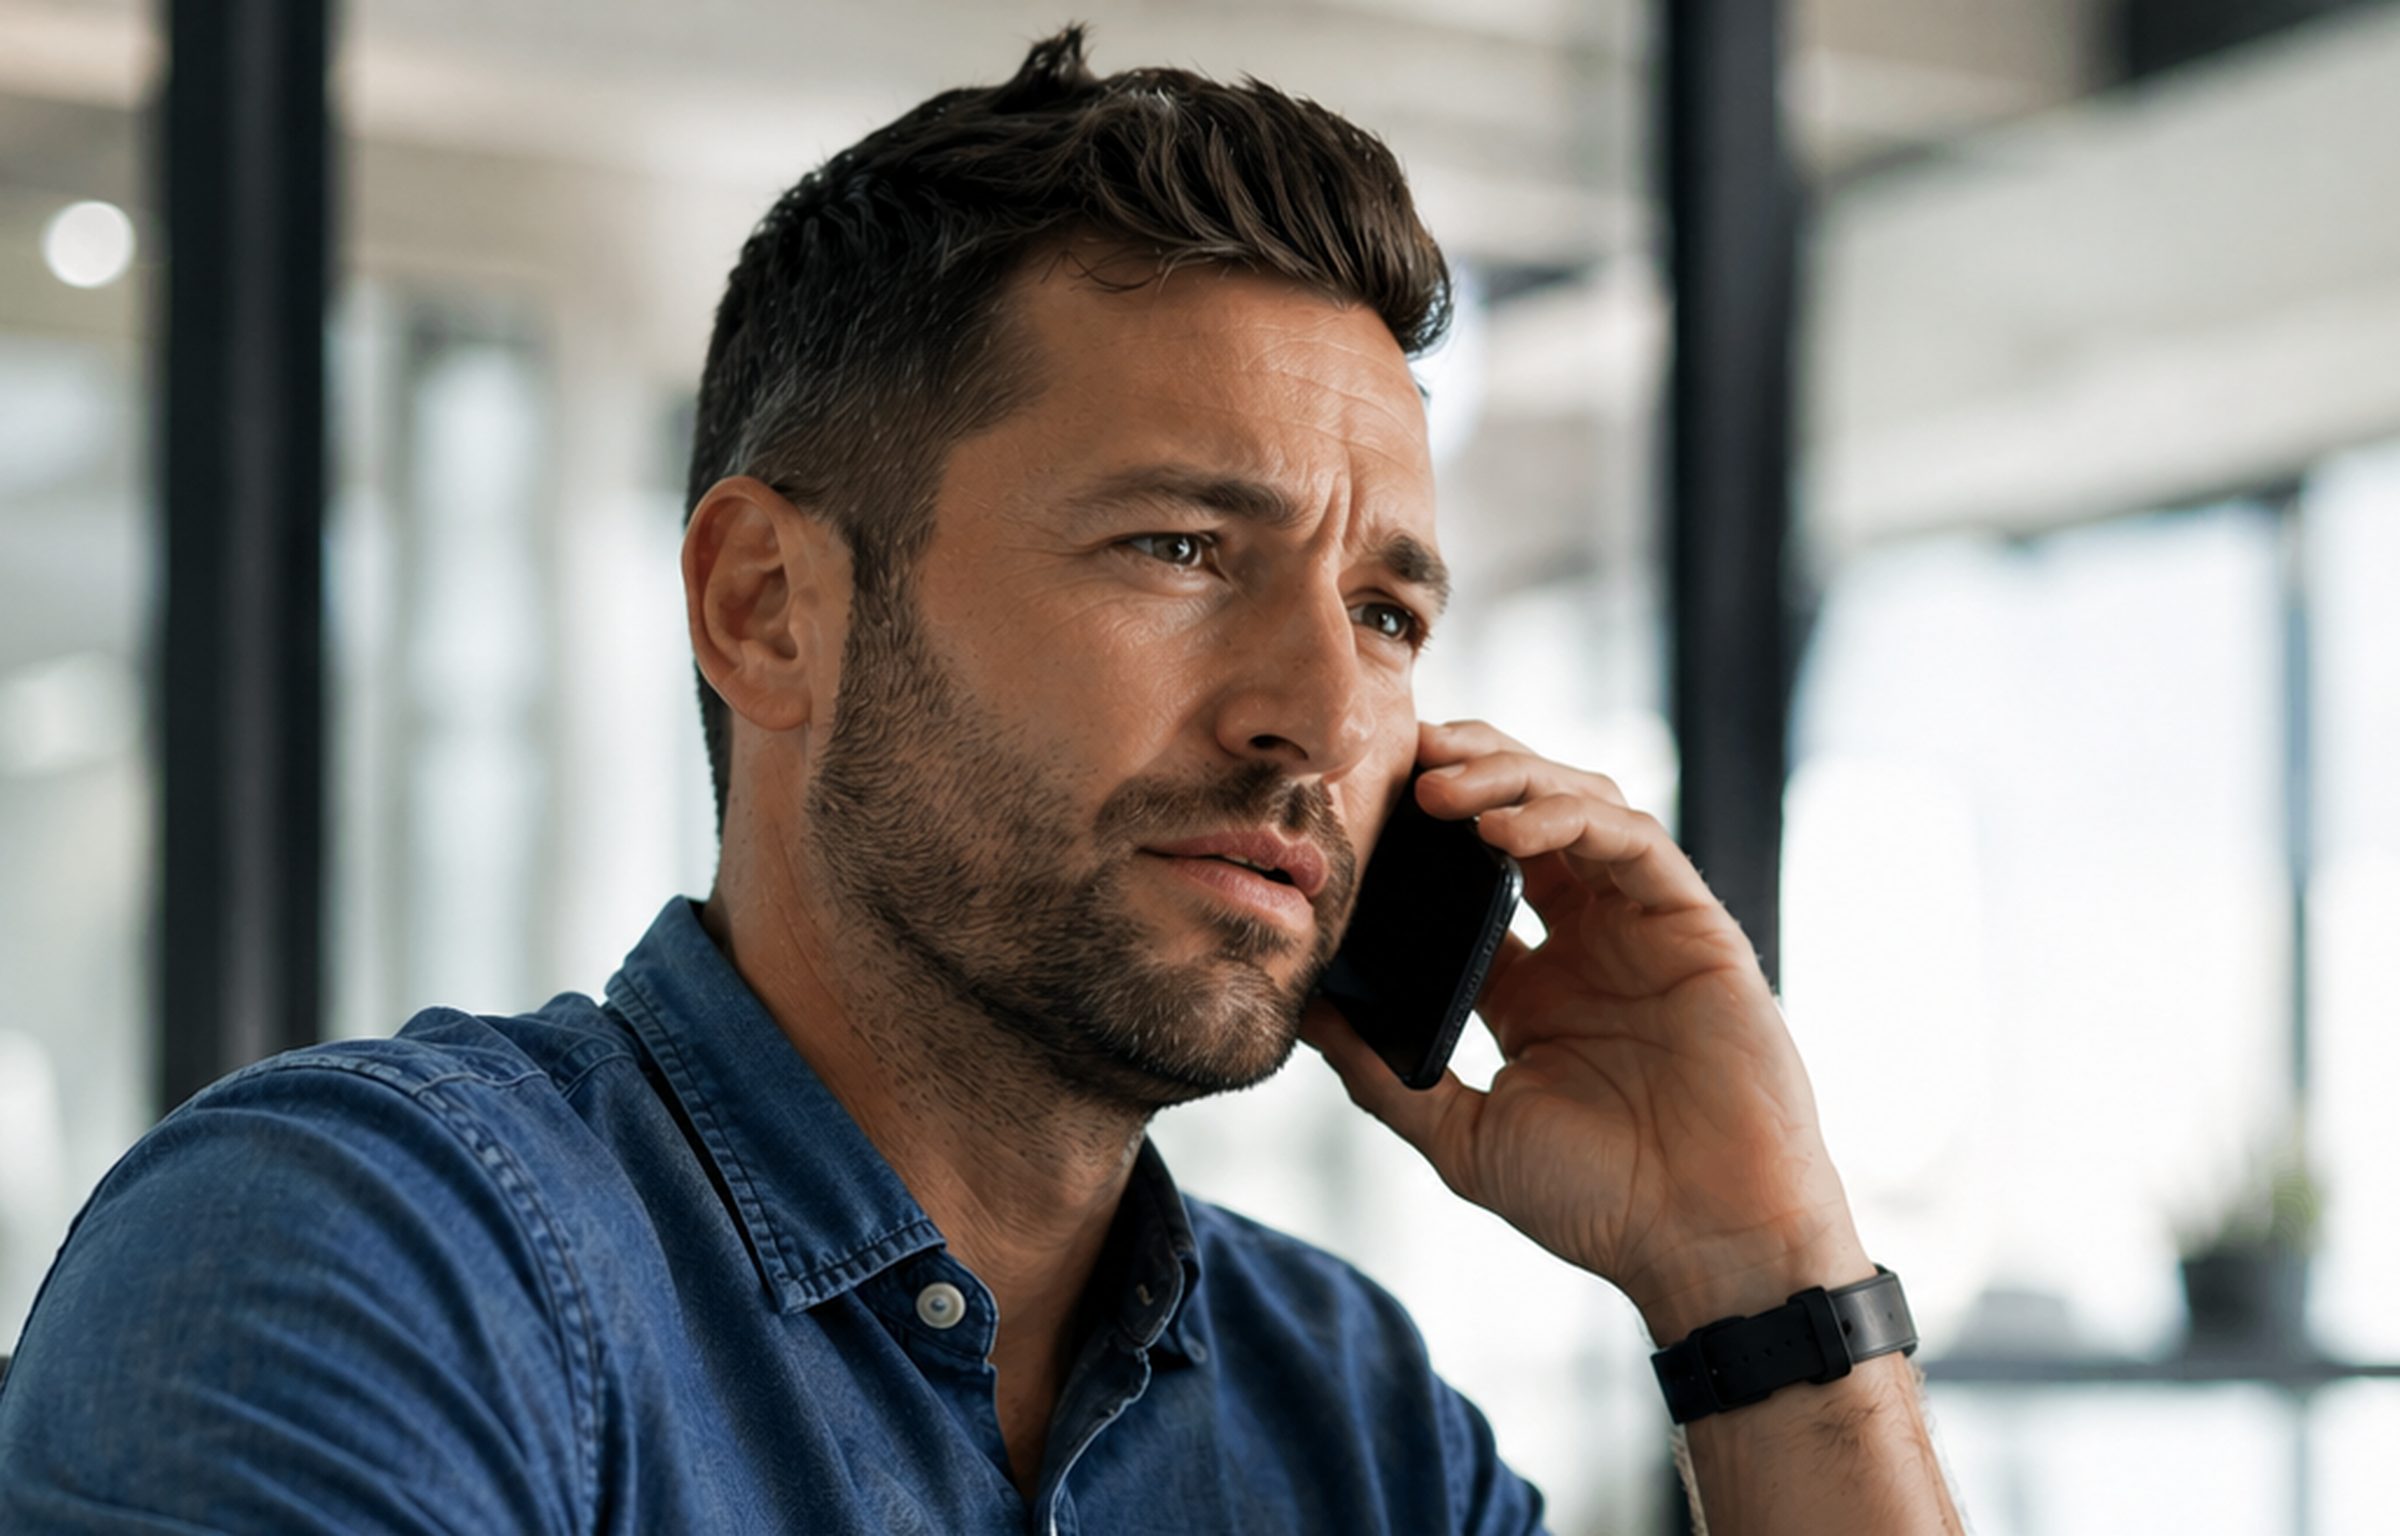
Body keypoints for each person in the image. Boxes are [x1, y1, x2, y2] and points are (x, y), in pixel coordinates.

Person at [0, 27, 1963, 1535]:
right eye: (1183, 549)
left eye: (1384, 612)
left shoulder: (1346, 1416)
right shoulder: (372, 1256)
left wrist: (1756, 1269)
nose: (1315, 715)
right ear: (770, 608)